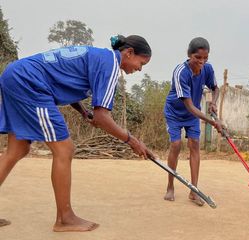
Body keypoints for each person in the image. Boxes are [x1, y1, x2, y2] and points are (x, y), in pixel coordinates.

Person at [0, 35, 154, 231]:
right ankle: (64, 219)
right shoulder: (111, 65)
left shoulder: (100, 57)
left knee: (17, 149)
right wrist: (132, 141)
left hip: (17, 75)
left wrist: (82, 111)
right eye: (141, 63)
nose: (139, 69)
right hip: (29, 82)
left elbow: (65, 80)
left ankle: (65, 218)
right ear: (129, 53)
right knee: (65, 149)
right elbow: (102, 116)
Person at [163, 37, 222, 206]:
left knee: (195, 144)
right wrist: (212, 122)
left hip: (192, 115)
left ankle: (194, 191)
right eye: (198, 58)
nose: (201, 62)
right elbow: (188, 105)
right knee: (175, 145)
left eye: (205, 58)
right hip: (175, 113)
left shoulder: (208, 69)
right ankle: (170, 186)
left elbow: (215, 88)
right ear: (189, 55)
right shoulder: (181, 72)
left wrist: (213, 102)